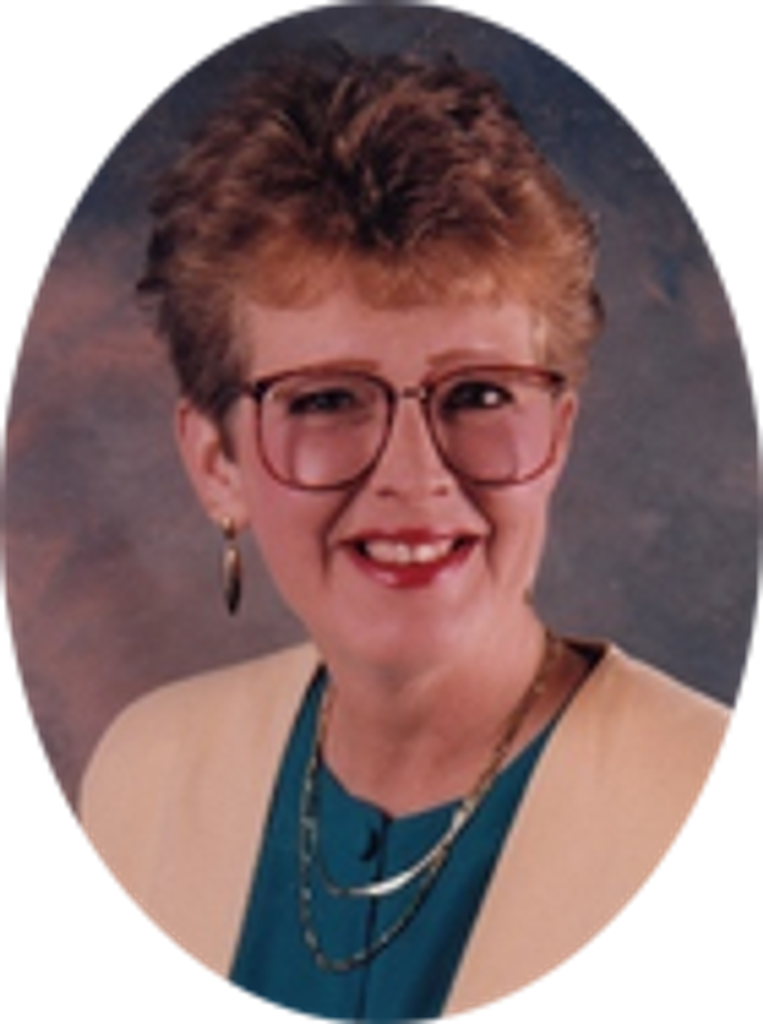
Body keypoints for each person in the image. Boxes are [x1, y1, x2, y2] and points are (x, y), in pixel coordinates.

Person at [77, 46, 735, 1021]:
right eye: (328, 399)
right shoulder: (148, 775)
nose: (416, 475)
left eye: (478, 394)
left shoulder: (690, 792)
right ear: (217, 462)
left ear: (555, 436)